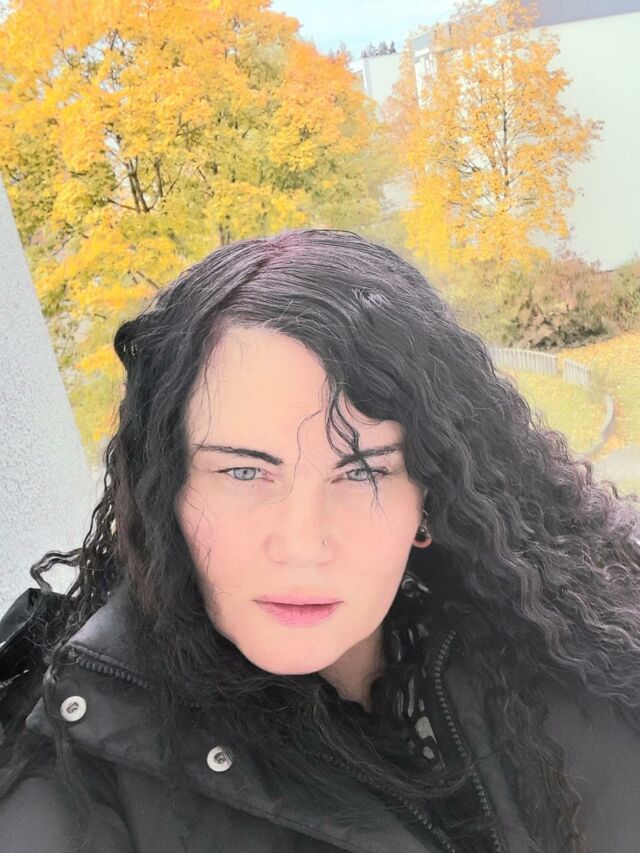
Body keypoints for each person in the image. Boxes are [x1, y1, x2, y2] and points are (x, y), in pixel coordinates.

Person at [1, 228, 639, 853]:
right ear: (165, 494)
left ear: (431, 491)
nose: (302, 544)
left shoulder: (581, 651)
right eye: (243, 471)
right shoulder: (74, 786)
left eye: (362, 472)